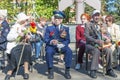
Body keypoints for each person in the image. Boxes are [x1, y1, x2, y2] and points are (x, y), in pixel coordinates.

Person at [84, 10, 117, 78]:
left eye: (98, 15)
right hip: (90, 45)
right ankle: (93, 70)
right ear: (92, 16)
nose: (97, 17)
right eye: (95, 15)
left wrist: (109, 39)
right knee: (96, 51)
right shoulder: (88, 24)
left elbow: (108, 34)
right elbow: (87, 37)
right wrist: (96, 41)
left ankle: (109, 69)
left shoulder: (103, 24)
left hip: (102, 45)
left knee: (109, 50)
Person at [44, 10, 72, 79]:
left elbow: (68, 40)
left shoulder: (65, 28)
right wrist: (51, 41)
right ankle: (50, 70)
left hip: (62, 45)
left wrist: (63, 44)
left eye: (59, 18)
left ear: (62, 20)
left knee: (69, 51)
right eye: (55, 17)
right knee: (49, 52)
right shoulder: (49, 27)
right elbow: (46, 39)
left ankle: (67, 70)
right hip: (52, 46)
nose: (56, 19)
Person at [5, 12, 32, 80]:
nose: (26, 21)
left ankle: (26, 71)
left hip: (24, 45)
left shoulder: (26, 28)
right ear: (21, 21)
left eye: (26, 20)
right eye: (25, 20)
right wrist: (18, 35)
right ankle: (10, 70)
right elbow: (8, 37)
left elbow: (31, 37)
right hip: (15, 45)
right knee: (14, 52)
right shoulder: (14, 27)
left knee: (27, 49)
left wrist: (28, 37)